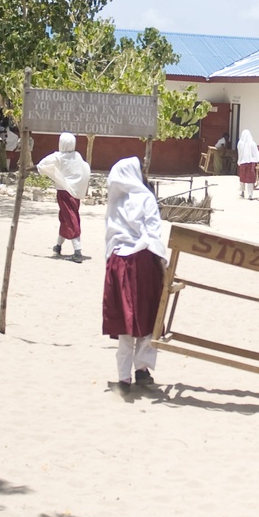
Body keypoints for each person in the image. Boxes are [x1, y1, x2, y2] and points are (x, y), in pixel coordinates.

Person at [102, 156, 167, 392]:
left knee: (125, 320)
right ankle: (141, 369)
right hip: (142, 263)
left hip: (118, 264)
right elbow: (153, 232)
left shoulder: (115, 200)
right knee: (148, 317)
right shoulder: (146, 197)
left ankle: (123, 377)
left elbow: (110, 236)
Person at [36, 132, 92, 262]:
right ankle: (58, 246)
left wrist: (30, 169)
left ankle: (77, 251)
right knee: (65, 217)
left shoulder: (58, 157)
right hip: (75, 192)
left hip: (64, 192)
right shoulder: (77, 156)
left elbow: (41, 165)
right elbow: (85, 169)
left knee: (71, 218)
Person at [236, 129, 259, 199]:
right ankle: (250, 194)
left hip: (243, 162)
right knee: (250, 179)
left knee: (242, 178)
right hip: (251, 163)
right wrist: (257, 160)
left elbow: (239, 153)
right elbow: (256, 153)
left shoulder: (240, 143)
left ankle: (242, 192)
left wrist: (239, 160)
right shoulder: (252, 143)